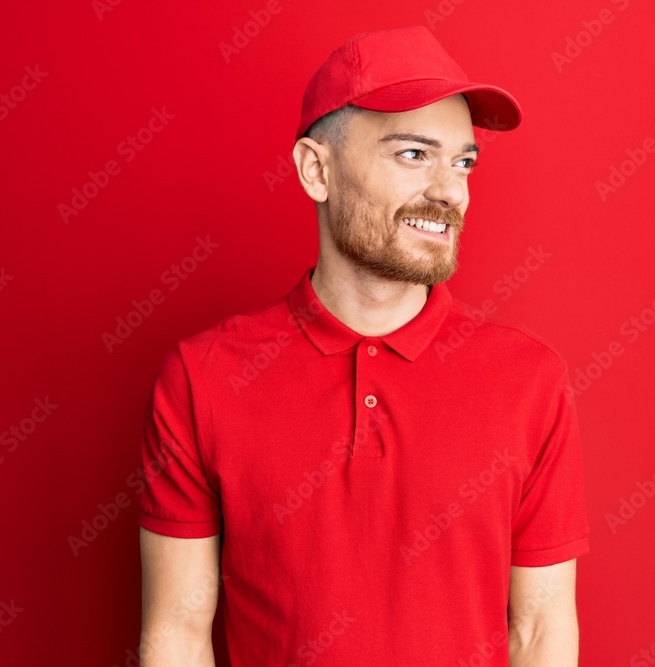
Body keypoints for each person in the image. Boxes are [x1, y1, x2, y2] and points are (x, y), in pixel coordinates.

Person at [137, 25, 590, 667]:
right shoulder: (200, 377)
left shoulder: (530, 379)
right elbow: (178, 636)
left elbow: (540, 632)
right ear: (316, 170)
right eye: (413, 154)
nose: (450, 190)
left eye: (463, 161)